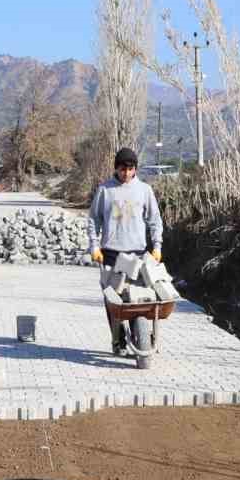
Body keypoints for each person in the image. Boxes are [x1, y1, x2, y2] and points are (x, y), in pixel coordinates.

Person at [87, 147, 164, 354]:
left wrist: (157, 246)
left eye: (130, 169)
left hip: (136, 253)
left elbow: (155, 220)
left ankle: (140, 338)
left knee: (135, 300)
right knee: (114, 302)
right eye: (122, 169)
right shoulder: (105, 190)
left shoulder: (144, 190)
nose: (126, 174)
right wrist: (94, 246)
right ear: (116, 168)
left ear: (135, 169)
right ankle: (118, 341)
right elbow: (93, 220)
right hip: (111, 253)